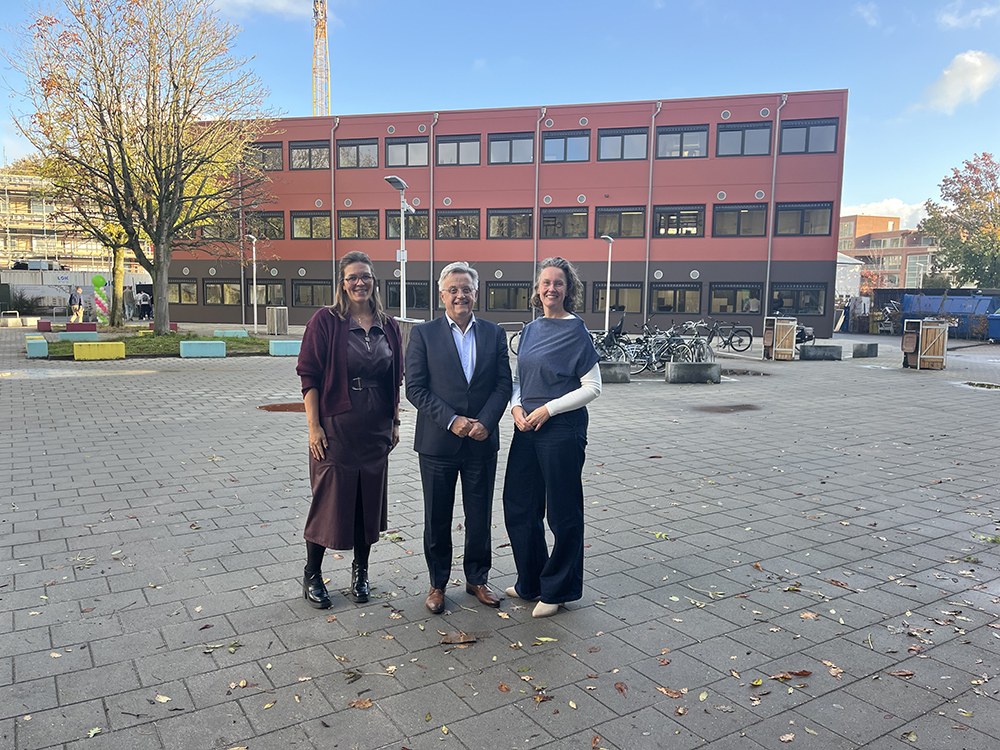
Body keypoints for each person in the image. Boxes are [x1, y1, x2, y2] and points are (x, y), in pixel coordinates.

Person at [295, 251, 403, 608]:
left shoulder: (387, 324)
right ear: (342, 283)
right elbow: (308, 376)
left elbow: (395, 377)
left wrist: (395, 420)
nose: (360, 283)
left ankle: (361, 572)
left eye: (366, 277)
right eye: (353, 277)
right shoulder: (325, 321)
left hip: (375, 428)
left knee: (367, 502)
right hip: (336, 426)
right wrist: (314, 428)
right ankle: (313, 574)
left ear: (374, 281)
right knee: (329, 500)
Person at [405, 262, 512, 614]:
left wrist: (485, 421)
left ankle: (477, 578)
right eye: (453, 289)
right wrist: (451, 421)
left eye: (466, 289)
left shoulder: (495, 334)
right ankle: (437, 584)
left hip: (482, 440)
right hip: (438, 442)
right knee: (437, 517)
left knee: (479, 515)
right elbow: (416, 388)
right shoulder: (424, 335)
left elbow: (503, 384)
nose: (460, 295)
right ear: (442, 295)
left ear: (476, 294)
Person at [502, 257, 601, 618]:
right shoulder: (530, 330)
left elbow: (593, 387)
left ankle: (558, 590)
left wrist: (549, 409)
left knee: (562, 512)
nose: (550, 289)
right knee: (519, 505)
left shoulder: (577, 331)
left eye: (558, 283)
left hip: (561, 429)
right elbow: (519, 380)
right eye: (545, 282)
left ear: (568, 289)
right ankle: (530, 581)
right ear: (537, 289)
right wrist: (515, 408)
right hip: (526, 426)